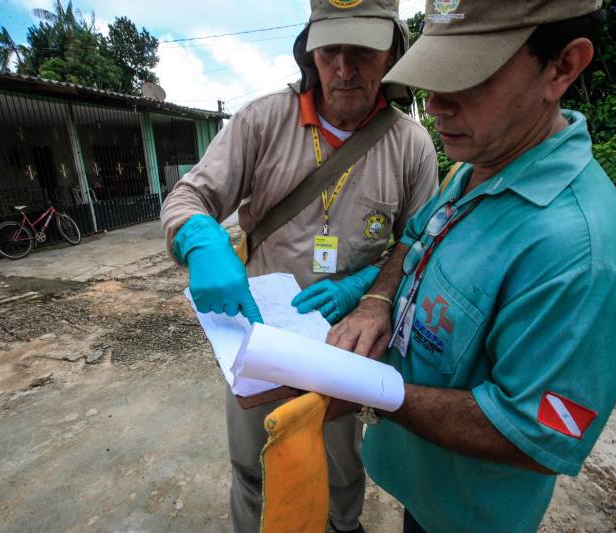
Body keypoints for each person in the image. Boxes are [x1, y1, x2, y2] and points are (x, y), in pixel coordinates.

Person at [327, 1, 616, 531]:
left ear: (563, 66)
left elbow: (536, 434)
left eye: (470, 76)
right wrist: (375, 302)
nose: (435, 105)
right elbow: (414, 237)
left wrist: (376, 392)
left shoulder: (586, 255)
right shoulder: (479, 166)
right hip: (424, 488)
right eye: (433, 76)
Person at [160, 1, 439, 530]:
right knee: (253, 466)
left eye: (363, 50)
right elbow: (187, 197)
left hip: (343, 348)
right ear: (309, 52)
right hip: (257, 339)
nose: (343, 67)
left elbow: (420, 245)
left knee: (338, 466)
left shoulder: (412, 145)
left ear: (393, 53)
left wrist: (364, 287)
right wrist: (201, 239)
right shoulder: (261, 120)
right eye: (330, 49)